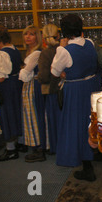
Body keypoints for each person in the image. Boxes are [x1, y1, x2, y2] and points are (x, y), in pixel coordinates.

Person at [51, 14, 99, 180]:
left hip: (75, 90)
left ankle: (87, 167)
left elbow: (54, 72)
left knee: (77, 125)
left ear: (63, 31)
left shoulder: (63, 51)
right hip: (93, 86)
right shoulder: (90, 43)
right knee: (93, 119)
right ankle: (98, 153)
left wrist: (66, 73)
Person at [0, 25, 23, 161]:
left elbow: (1, 77)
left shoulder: (0, 54)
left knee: (6, 115)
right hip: (15, 85)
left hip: (6, 88)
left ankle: (10, 149)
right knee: (15, 113)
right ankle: (18, 142)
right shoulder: (13, 49)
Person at [20, 25, 47, 162]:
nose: (28, 37)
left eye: (31, 34)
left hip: (33, 86)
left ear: (38, 36)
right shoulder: (30, 52)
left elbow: (24, 75)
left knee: (34, 115)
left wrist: (22, 70)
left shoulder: (36, 53)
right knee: (31, 115)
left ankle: (39, 147)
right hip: (30, 85)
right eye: (26, 34)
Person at [37, 24, 61, 154]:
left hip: (51, 91)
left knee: (53, 121)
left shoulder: (45, 53)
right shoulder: (63, 49)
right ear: (58, 35)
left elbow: (44, 76)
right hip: (63, 89)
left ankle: (56, 148)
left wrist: (38, 78)